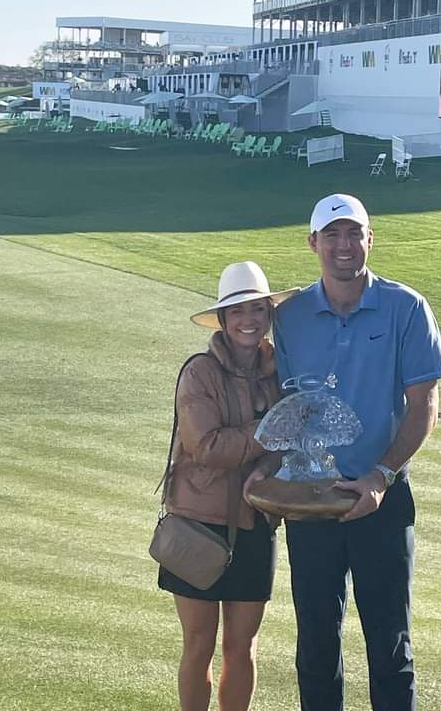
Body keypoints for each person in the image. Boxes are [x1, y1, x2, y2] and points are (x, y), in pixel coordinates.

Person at [247, 194, 441, 711]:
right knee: (316, 643)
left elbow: (424, 404)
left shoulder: (406, 307)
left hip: (382, 497)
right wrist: (266, 470)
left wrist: (379, 477)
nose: (344, 244)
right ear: (313, 242)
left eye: (353, 232)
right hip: (311, 502)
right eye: (331, 234)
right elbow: (287, 408)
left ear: (370, 239)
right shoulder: (289, 316)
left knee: (390, 644)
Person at [158, 261, 298, 711]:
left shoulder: (279, 371)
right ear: (222, 319)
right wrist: (268, 429)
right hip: (197, 526)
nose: (249, 319)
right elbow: (207, 447)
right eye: (238, 311)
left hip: (256, 522)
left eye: (258, 309)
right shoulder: (198, 371)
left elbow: (289, 443)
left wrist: (272, 458)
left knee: (244, 648)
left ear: (268, 315)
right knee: (199, 646)